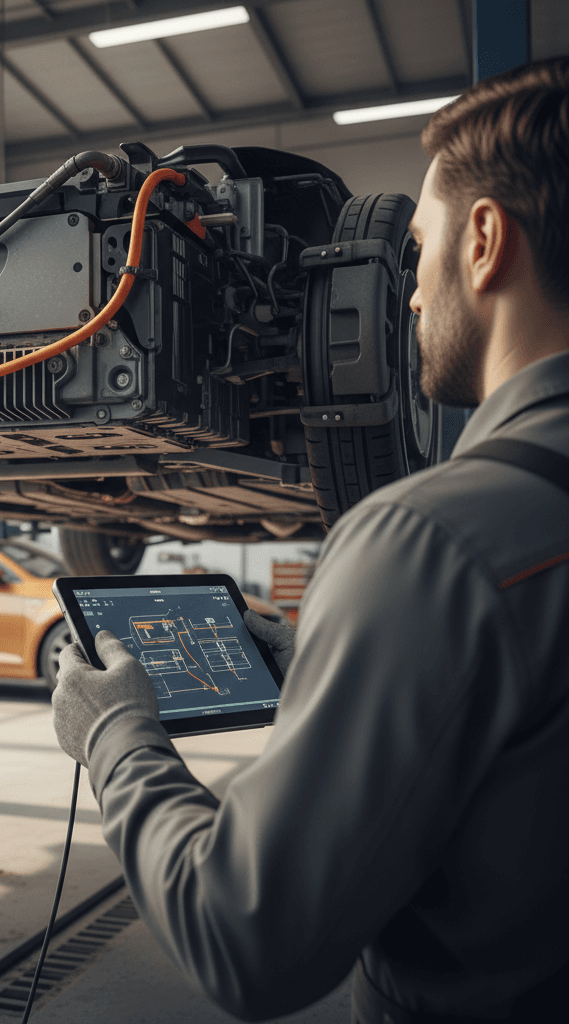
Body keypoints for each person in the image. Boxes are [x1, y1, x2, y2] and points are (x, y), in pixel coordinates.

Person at [52, 58, 569, 1024]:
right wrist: (349, 671)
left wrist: (115, 736)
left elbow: (247, 941)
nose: (409, 294)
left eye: (419, 250)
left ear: (487, 240)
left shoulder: (426, 546)